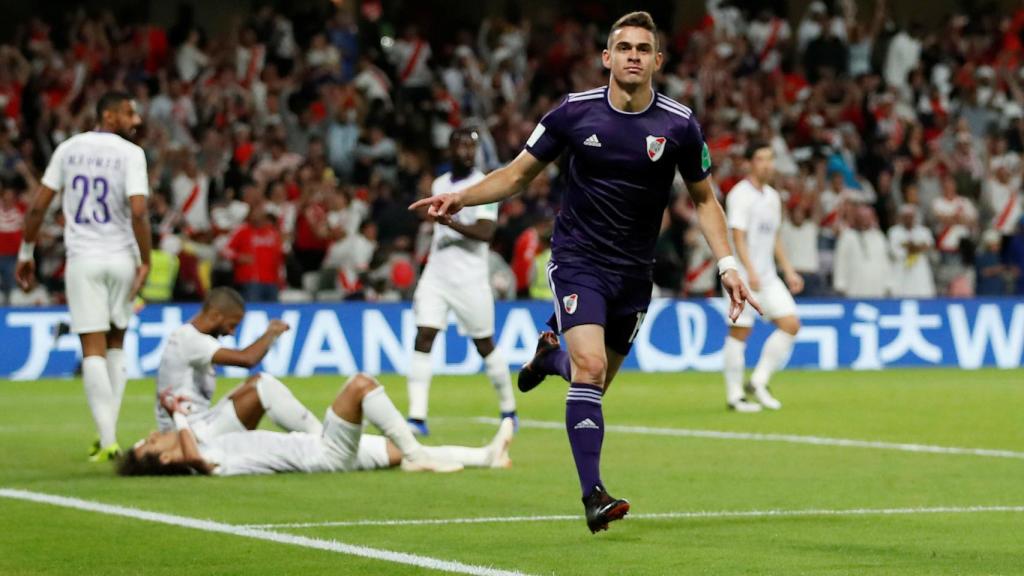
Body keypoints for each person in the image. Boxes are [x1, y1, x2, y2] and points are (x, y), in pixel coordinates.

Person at [410, 11, 759, 534]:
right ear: (608, 58)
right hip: (578, 261)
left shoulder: (679, 124)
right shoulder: (572, 114)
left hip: (634, 274)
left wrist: (727, 263)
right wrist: (458, 198)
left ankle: (550, 359)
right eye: (625, 48)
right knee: (591, 368)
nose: (634, 56)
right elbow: (516, 175)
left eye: (644, 48)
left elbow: (705, 199)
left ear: (658, 60)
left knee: (589, 380)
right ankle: (593, 494)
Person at [16, 91, 151, 462]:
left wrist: (26, 252)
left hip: (83, 260)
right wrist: (146, 260)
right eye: (128, 113)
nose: (135, 121)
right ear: (107, 115)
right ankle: (105, 433)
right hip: (122, 256)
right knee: (116, 343)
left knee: (91, 346)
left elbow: (39, 206)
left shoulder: (68, 149)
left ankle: (107, 436)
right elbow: (139, 212)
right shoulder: (131, 155)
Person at [121, 372, 514, 476]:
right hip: (322, 454)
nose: (155, 437)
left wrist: (181, 415)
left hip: (319, 448)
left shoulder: (206, 445)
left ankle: (487, 456)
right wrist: (176, 415)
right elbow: (200, 463)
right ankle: (416, 453)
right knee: (360, 385)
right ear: (168, 461)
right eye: (150, 445)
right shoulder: (208, 464)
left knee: (397, 454)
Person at [406, 128, 516, 436]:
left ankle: (508, 409)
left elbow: (486, 232)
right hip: (437, 274)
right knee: (424, 335)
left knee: (484, 344)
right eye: (461, 146)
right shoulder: (440, 184)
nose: (467, 152)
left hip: (470, 278)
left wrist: (450, 222)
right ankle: (416, 417)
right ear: (451, 149)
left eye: (472, 146)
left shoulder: (485, 186)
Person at [155, 287, 313, 436]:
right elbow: (247, 359)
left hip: (194, 426)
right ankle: (320, 438)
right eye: (231, 325)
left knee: (254, 383)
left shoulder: (188, 336)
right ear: (215, 315)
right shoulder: (190, 339)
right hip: (187, 435)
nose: (231, 332)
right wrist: (271, 334)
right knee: (262, 385)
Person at [720, 143, 802, 413]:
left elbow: (775, 236)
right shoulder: (740, 195)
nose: (767, 164)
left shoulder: (772, 197)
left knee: (791, 324)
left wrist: (788, 269)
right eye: (761, 159)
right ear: (750, 163)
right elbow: (737, 236)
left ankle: (758, 381)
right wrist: (749, 270)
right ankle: (734, 396)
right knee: (741, 331)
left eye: (770, 159)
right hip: (742, 276)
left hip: (767, 276)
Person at [887, 204, 936, 298]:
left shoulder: (924, 231)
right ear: (901, 217)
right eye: (906, 217)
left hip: (920, 271)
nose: (908, 219)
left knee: (923, 294)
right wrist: (916, 247)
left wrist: (908, 246)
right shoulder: (894, 231)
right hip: (901, 270)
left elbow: (928, 246)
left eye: (911, 216)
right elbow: (895, 251)